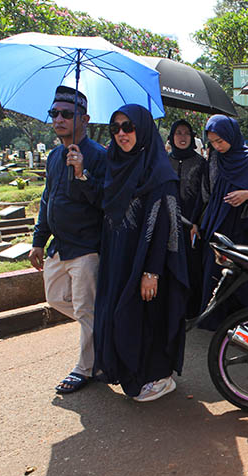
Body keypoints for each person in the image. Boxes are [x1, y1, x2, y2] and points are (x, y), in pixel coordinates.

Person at [92, 104, 189, 402]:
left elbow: (164, 229)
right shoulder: (115, 166)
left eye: (128, 127)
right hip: (118, 258)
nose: (121, 134)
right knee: (118, 314)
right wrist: (81, 175)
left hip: (147, 261)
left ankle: (158, 377)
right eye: (116, 128)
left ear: (143, 129)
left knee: (145, 318)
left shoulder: (159, 173)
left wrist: (151, 272)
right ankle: (130, 374)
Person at [29, 86, 107, 395]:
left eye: (66, 114)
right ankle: (106, 328)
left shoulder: (99, 156)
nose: (58, 119)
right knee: (55, 298)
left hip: (88, 248)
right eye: (54, 113)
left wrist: (82, 173)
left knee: (87, 310)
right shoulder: (53, 157)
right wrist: (38, 239)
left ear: (84, 119)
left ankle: (84, 368)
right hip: (59, 247)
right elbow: (48, 200)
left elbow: (107, 201)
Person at [193, 115, 248, 330]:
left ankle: (245, 321)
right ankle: (213, 320)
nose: (218, 146)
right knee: (214, 272)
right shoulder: (215, 159)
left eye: (220, 141)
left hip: (239, 228)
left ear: (231, 137)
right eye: (213, 142)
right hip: (217, 225)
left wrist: (247, 195)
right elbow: (208, 192)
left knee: (239, 277)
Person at [167, 119, 207, 318]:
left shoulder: (200, 163)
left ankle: (192, 310)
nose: (182, 137)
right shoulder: (164, 162)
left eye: (186, 133)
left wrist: (196, 222)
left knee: (191, 267)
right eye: (178, 133)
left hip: (192, 225)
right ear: (172, 137)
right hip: (168, 223)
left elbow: (204, 196)